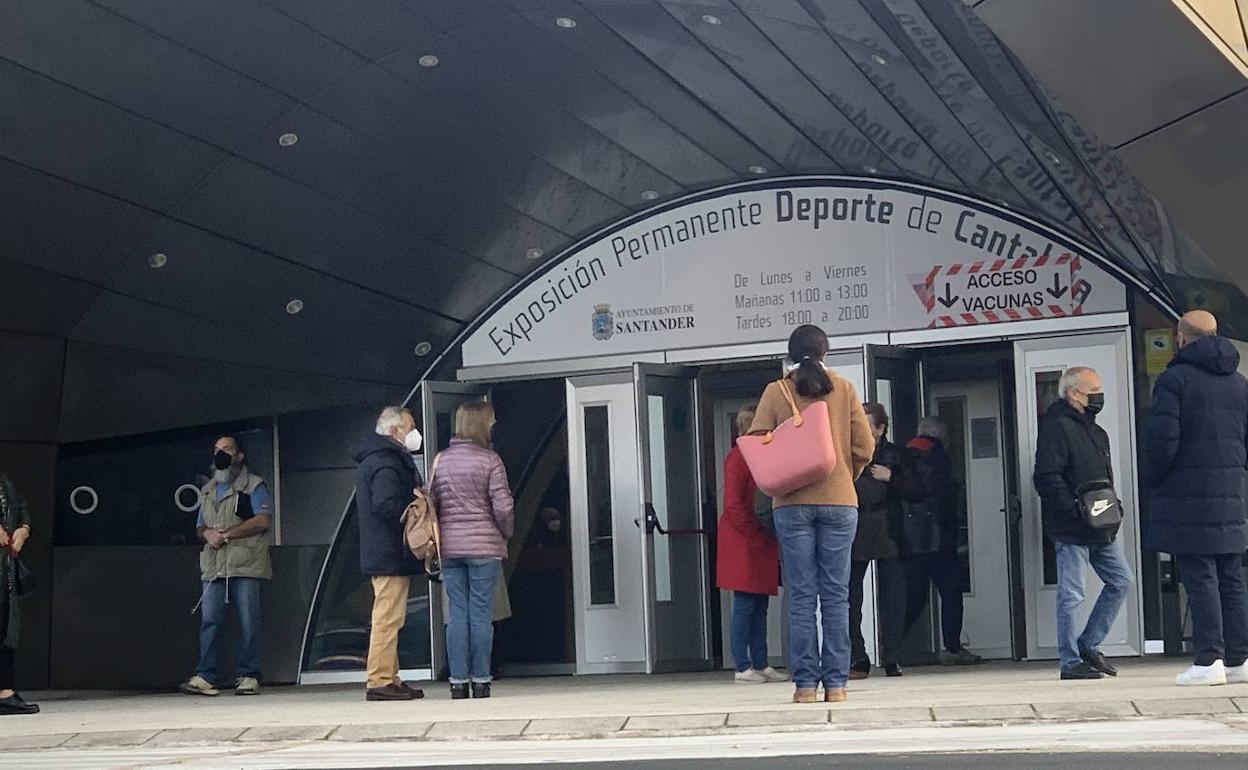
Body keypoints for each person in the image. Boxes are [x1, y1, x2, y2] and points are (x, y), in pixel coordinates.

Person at [749, 325, 874, 704]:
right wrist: (841, 477)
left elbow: (756, 442)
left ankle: (805, 686)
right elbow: (864, 445)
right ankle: (836, 685)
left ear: (789, 354)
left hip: (791, 502)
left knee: (802, 595)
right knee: (837, 595)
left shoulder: (776, 390)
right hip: (839, 501)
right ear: (826, 351)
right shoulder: (844, 388)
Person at [1145, 310, 1248, 686]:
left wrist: (1152, 479)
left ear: (1182, 337)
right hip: (1231, 495)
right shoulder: (1239, 383)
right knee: (1231, 578)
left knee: (1200, 576)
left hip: (1187, 495)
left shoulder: (1174, 381)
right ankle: (1240, 658)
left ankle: (1209, 661)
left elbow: (1163, 442)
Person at [1034, 367, 1133, 681]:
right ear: (1073, 393)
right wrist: (1073, 511)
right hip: (1072, 527)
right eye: (1094, 390)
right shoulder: (1056, 426)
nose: (1098, 395)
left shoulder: (1095, 430)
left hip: (1103, 524)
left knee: (1121, 581)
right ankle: (1070, 661)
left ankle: (1088, 644)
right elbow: (1046, 477)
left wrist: (1112, 508)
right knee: (1072, 595)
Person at [430, 402, 515, 699]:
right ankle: (480, 680)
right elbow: (503, 506)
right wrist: (505, 533)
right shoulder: (491, 460)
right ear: (481, 424)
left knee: (457, 615)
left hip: (450, 549)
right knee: (480, 614)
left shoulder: (441, 461)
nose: (493, 425)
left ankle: (457, 681)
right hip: (484, 547)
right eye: (491, 421)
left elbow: (432, 504)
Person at [179, 436, 272, 696]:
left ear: (239, 455)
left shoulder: (254, 485)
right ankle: (206, 675)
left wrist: (228, 533)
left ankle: (249, 674)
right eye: (217, 450)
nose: (220, 454)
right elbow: (200, 527)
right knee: (210, 621)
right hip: (214, 565)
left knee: (248, 621)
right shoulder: (208, 489)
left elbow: (263, 520)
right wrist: (208, 534)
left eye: (227, 450)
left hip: (246, 563)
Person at [352, 406, 427, 701]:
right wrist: (412, 512)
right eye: (410, 426)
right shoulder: (386, 463)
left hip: (383, 551)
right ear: (395, 431)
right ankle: (380, 679)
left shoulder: (378, 459)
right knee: (387, 618)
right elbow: (386, 505)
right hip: (388, 552)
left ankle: (390, 677)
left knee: (391, 616)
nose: (414, 432)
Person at [898, 417, 982, 666]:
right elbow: (943, 498)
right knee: (951, 592)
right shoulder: (939, 458)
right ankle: (953, 649)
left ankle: (889, 644)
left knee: (914, 596)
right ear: (943, 437)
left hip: (911, 540)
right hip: (939, 539)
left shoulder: (902, 456)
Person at [716, 406, 787, 684]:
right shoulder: (737, 457)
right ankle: (742, 665)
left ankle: (760, 662)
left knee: (760, 604)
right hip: (743, 539)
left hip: (757, 537)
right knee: (745, 603)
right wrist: (755, 531)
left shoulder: (755, 455)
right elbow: (732, 502)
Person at [849, 403, 907, 679]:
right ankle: (858, 657)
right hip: (855, 527)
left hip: (888, 528)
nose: (859, 428)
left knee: (893, 597)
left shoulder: (896, 455)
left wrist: (893, 477)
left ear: (881, 429)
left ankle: (892, 657)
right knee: (850, 598)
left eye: (866, 424)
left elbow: (921, 489)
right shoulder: (848, 455)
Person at [0, 472, 36, 715]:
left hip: (5, 567)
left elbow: (20, 505)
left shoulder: (3, 481)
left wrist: (23, 529)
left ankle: (5, 691)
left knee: (6, 626)